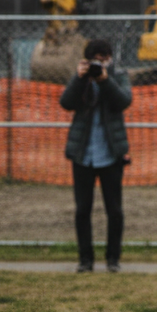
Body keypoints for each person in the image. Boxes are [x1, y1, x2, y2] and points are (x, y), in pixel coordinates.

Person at [60, 39, 132, 273]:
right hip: (83, 154)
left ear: (110, 59)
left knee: (115, 210)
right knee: (82, 210)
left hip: (111, 154)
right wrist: (79, 79)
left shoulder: (118, 76)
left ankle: (113, 259)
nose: (99, 65)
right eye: (95, 61)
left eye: (104, 60)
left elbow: (123, 101)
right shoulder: (81, 80)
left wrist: (104, 80)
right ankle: (85, 259)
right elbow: (66, 103)